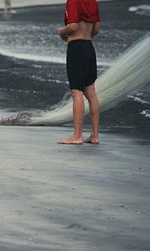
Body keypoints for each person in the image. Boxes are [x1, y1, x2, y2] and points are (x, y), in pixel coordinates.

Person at [57, 0, 100, 144]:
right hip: (89, 47)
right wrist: (85, 36)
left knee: (77, 92)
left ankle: (77, 136)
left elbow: (73, 26)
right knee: (91, 93)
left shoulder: (73, 1)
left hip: (77, 48)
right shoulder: (93, 2)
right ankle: (94, 136)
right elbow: (96, 29)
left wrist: (62, 32)